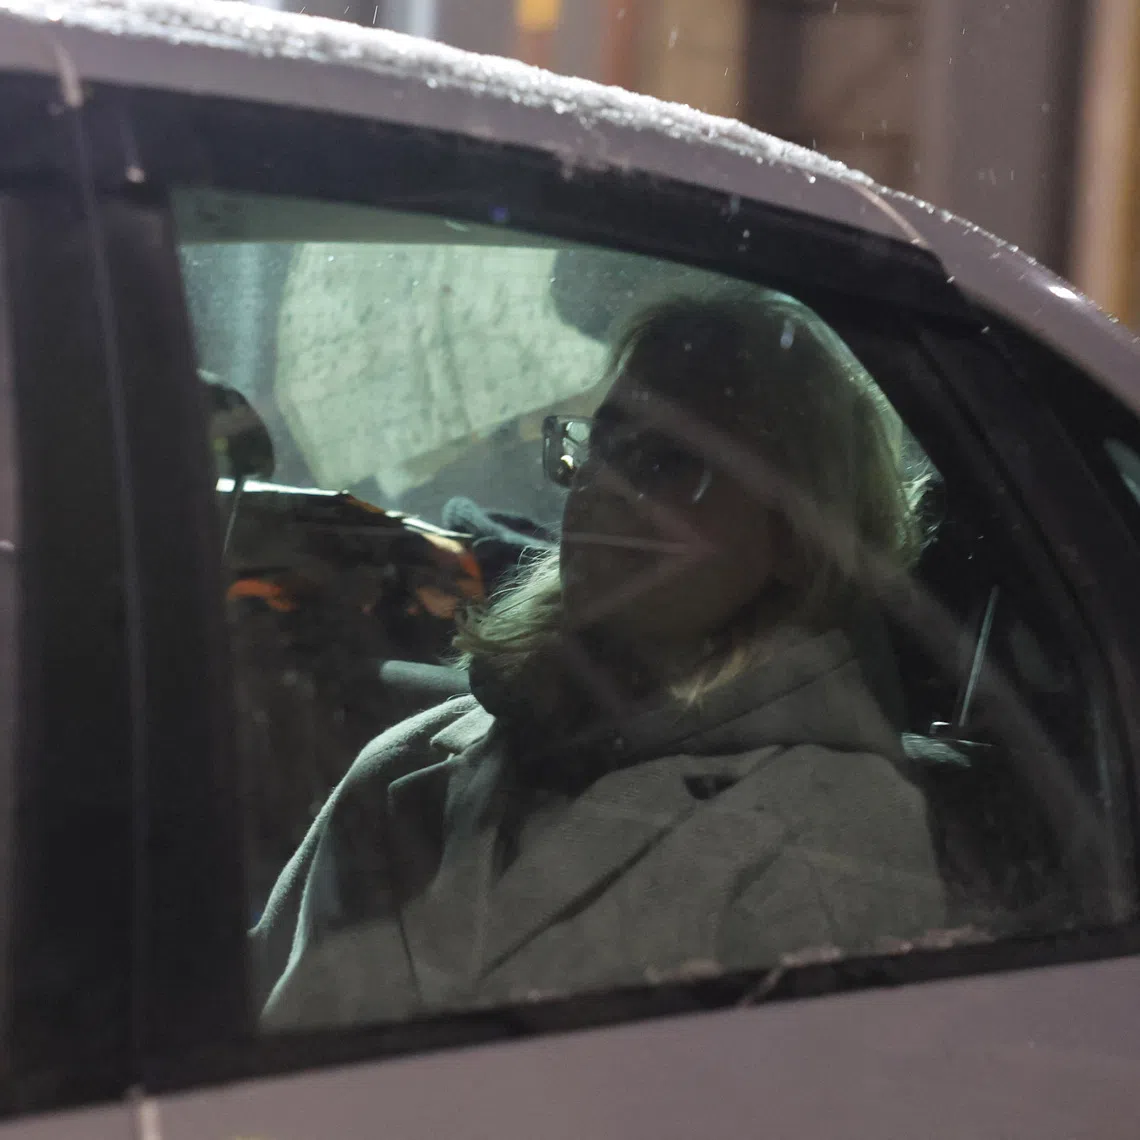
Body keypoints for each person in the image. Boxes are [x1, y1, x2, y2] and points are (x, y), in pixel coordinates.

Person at [253, 289, 946, 1030]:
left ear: (800, 531)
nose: (603, 486)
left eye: (668, 461)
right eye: (605, 444)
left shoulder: (831, 837)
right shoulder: (408, 762)